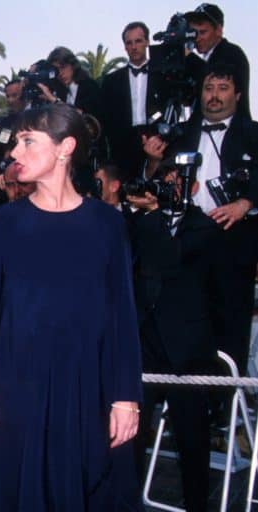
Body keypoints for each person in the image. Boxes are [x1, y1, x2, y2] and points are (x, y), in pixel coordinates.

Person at [0, 104, 143, 510]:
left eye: (27, 141)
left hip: (85, 390)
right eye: (15, 142)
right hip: (14, 387)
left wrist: (126, 396)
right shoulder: (3, 222)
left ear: (66, 148)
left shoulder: (107, 225)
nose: (14, 153)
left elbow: (122, 318)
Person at [143, 63, 258, 374]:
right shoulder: (181, 136)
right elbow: (155, 185)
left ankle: (226, 408)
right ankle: (188, 404)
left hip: (234, 244)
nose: (214, 96)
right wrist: (154, 163)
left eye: (222, 89)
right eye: (209, 89)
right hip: (187, 245)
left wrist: (245, 203)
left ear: (237, 94)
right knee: (184, 325)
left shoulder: (253, 134)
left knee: (231, 324)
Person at [132, 167, 222, 512]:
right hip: (145, 342)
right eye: (165, 182)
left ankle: (198, 504)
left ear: (193, 186)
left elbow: (173, 258)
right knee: (131, 432)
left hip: (187, 349)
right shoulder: (143, 222)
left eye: (178, 182)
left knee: (192, 438)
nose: (170, 188)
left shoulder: (206, 227)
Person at [101, 22, 168, 180]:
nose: (134, 46)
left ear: (147, 42)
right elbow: (106, 117)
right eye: (129, 43)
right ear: (124, 46)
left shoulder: (163, 76)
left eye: (138, 41)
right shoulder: (112, 80)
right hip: (123, 145)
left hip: (155, 141)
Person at [185, 3, 250, 119]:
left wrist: (187, 56)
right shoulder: (206, 58)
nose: (197, 38)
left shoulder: (232, 52)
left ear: (218, 30)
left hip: (233, 132)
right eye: (194, 33)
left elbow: (213, 78)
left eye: (203, 32)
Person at [40, 47, 102, 121]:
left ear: (73, 65)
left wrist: (55, 100)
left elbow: (88, 117)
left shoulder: (89, 87)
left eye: (63, 67)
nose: (60, 73)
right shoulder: (59, 89)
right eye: (56, 70)